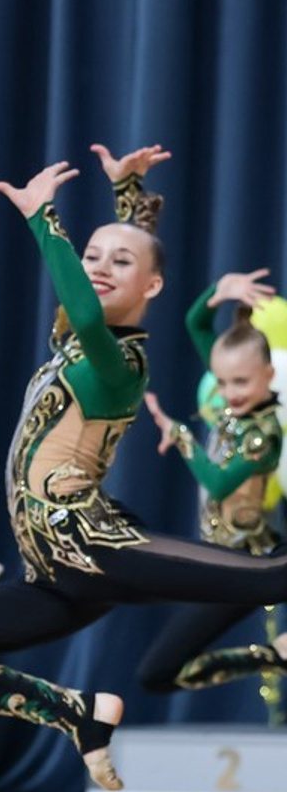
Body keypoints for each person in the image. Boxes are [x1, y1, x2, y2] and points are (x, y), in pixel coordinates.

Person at [0, 144, 287, 790]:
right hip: (53, 576)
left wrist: (43, 219)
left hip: (97, 545)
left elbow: (91, 302)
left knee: (273, 576)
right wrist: (129, 194)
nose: (101, 267)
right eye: (92, 257)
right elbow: (103, 287)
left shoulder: (119, 364)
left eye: (121, 262)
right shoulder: (73, 339)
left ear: (153, 287)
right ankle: (77, 714)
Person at [137, 271, 286, 693]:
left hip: (250, 564)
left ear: (268, 373)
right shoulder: (229, 402)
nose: (229, 393)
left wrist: (180, 434)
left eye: (240, 382)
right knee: (157, 674)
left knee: (158, 672)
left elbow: (219, 484)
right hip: (216, 558)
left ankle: (273, 658)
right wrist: (216, 294)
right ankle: (273, 656)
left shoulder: (266, 432)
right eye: (221, 381)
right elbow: (195, 325)